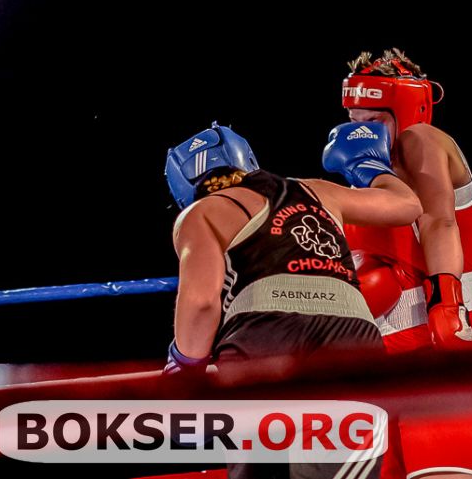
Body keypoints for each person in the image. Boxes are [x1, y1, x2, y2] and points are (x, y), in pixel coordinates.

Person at [163, 121, 422, 479]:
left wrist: (185, 368)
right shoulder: (315, 190)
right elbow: (407, 205)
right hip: (350, 337)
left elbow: (202, 302)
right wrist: (368, 166)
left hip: (262, 338)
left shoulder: (200, 213)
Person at [330, 49, 472, 479]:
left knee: (442, 473)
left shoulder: (422, 139)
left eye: (374, 120)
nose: (361, 130)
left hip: (442, 329)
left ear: (408, 108)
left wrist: (449, 303)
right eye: (354, 119)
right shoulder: (368, 173)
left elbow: (438, 221)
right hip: (383, 351)